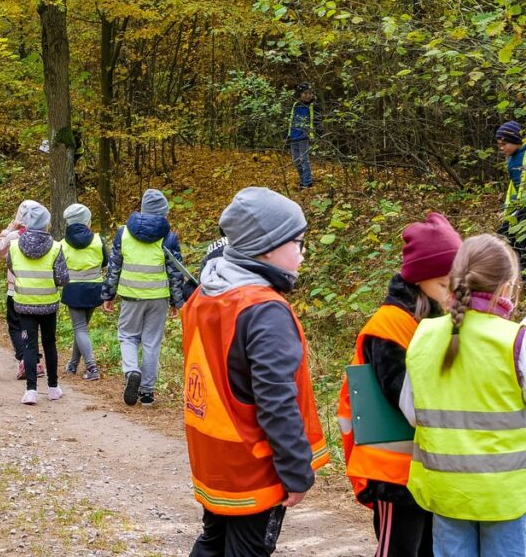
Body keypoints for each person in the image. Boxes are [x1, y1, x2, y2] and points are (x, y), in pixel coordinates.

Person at [182, 187, 328, 557]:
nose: (303, 250)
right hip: (254, 465)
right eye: (297, 241)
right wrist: (296, 471)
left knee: (213, 541)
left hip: (215, 459)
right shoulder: (263, 310)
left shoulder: (206, 293)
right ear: (267, 248)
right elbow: (276, 399)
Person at [337, 213, 462, 557]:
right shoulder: (389, 325)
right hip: (393, 472)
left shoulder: (441, 319)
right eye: (442, 284)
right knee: (398, 550)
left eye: (457, 285)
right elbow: (403, 397)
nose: (451, 295)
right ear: (419, 280)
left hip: (429, 466)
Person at [400, 234, 526, 557]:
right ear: (507, 287)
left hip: (446, 492)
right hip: (505, 496)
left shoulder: (424, 335)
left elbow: (412, 412)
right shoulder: (516, 341)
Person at [101, 189, 186, 407]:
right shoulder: (168, 237)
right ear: (164, 212)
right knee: (151, 342)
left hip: (130, 296)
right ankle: (147, 393)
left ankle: (131, 372)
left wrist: (108, 294)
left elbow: (114, 267)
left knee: (128, 337)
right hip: (158, 298)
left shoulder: (124, 233)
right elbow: (175, 272)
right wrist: (177, 302)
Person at [8, 202, 68, 405]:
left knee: (29, 346)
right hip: (48, 303)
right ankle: (53, 388)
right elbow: (62, 278)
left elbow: (12, 268)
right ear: (46, 224)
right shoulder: (56, 247)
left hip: (24, 303)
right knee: (50, 344)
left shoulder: (15, 246)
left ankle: (31, 390)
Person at [0, 200, 43, 380]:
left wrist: (7, 231)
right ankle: (35, 361)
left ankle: (24, 359)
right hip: (38, 290)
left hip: (15, 290)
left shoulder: (14, 237)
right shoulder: (44, 236)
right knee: (32, 327)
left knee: (16, 327)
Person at [60, 203, 106, 381]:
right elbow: (105, 261)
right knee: (82, 329)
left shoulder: (63, 244)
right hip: (95, 288)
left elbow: (60, 267)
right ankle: (72, 364)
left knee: (80, 329)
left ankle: (91, 367)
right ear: (88, 222)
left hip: (74, 289)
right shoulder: (98, 240)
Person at [496, 121, 526, 268]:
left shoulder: (523, 156)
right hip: (518, 209)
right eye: (499, 145)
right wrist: (505, 209)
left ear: (515, 140)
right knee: (504, 237)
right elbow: (513, 189)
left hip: (523, 209)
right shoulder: (512, 159)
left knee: (521, 243)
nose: (501, 148)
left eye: (504, 144)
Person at [286, 84, 317, 189]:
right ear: (300, 94)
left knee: (304, 159)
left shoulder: (312, 106)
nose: (308, 95)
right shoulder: (295, 105)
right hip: (294, 136)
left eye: (310, 93)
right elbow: (291, 119)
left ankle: (307, 183)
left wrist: (313, 134)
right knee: (296, 161)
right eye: (305, 93)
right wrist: (288, 134)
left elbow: (315, 120)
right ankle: (302, 180)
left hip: (304, 136)